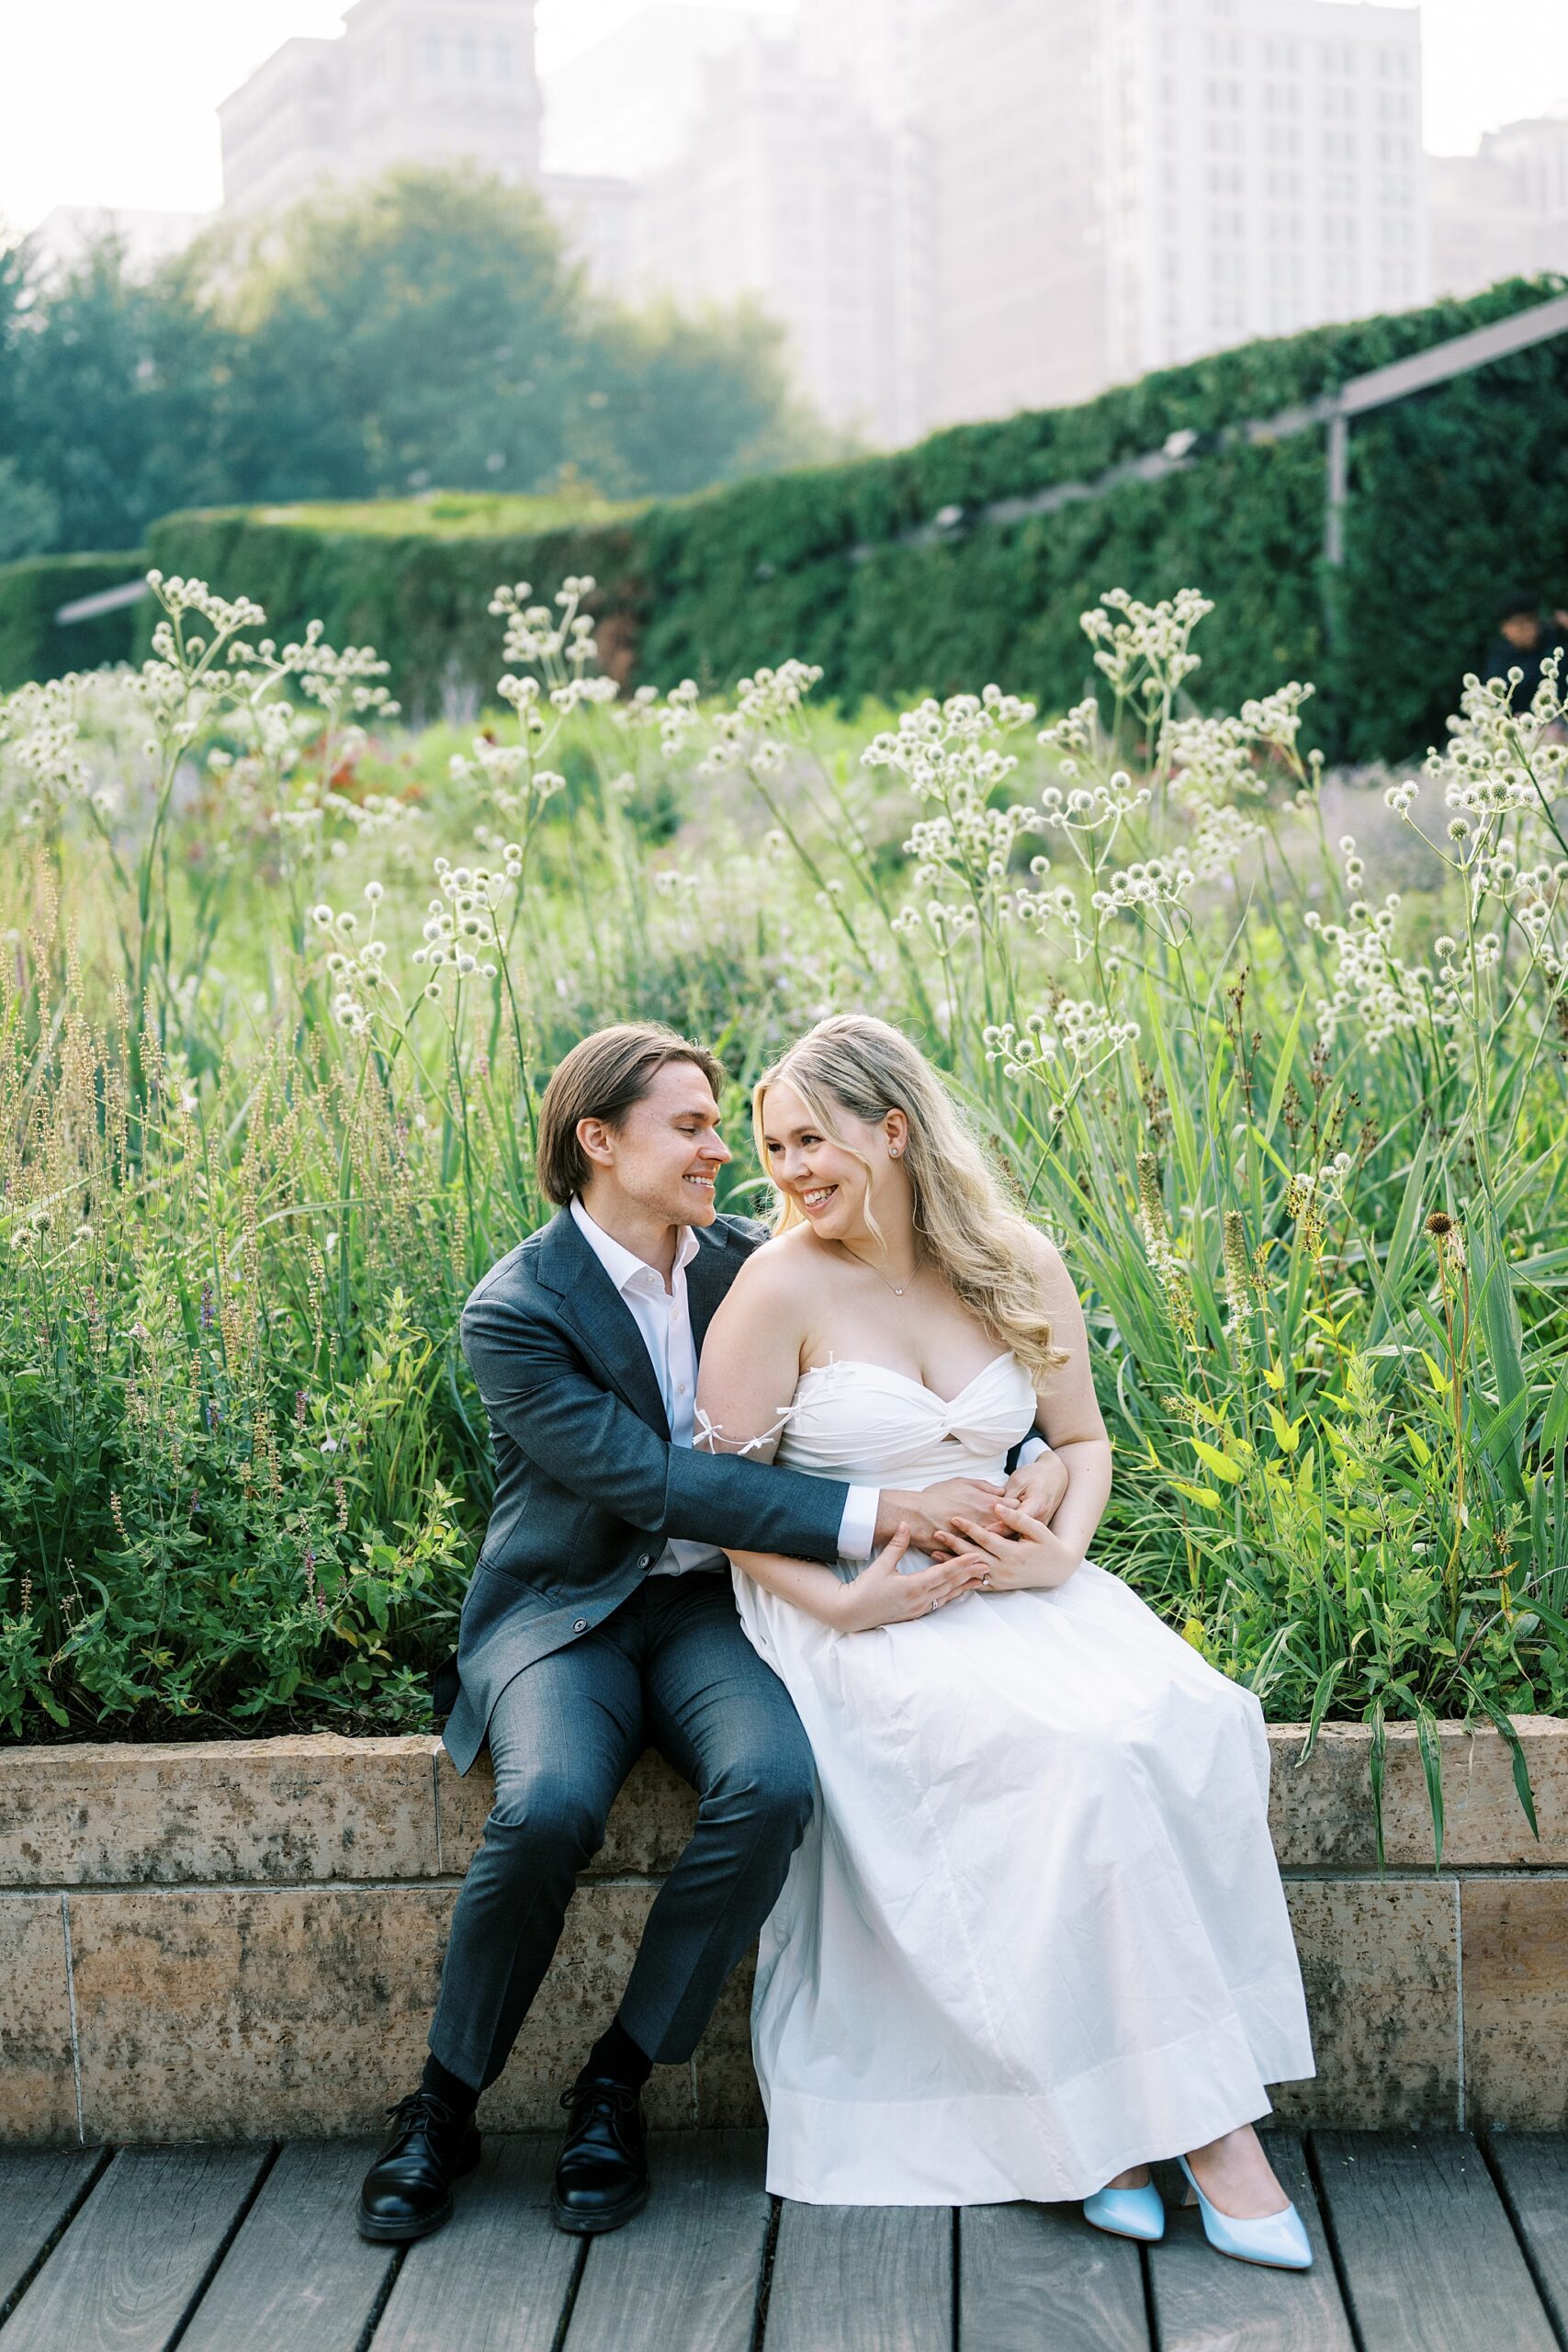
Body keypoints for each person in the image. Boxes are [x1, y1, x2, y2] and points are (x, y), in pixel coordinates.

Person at [355, 1021, 1064, 2245]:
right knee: (549, 1807)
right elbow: (649, 1480)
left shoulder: (752, 1260)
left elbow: (921, 1332)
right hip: (566, 1615)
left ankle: (615, 2082)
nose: (724, 1151)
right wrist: (883, 1513)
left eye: (720, 1125)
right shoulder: (515, 1309)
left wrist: (1036, 1454)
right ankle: (442, 2105)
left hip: (714, 1608)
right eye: (690, 1127)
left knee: (774, 1784)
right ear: (598, 1140)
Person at [694, 1012, 1318, 2271]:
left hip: (1021, 1580)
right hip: (854, 1603)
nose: (790, 1172)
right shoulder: (778, 1285)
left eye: (813, 1141)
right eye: (773, 1149)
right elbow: (722, 1505)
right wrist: (842, 1606)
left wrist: (1061, 1552)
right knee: (1077, 1762)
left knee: (1190, 1721)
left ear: (893, 1130)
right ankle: (1215, 2141)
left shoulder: (1012, 1258)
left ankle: (1116, 2132)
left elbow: (1079, 1442)